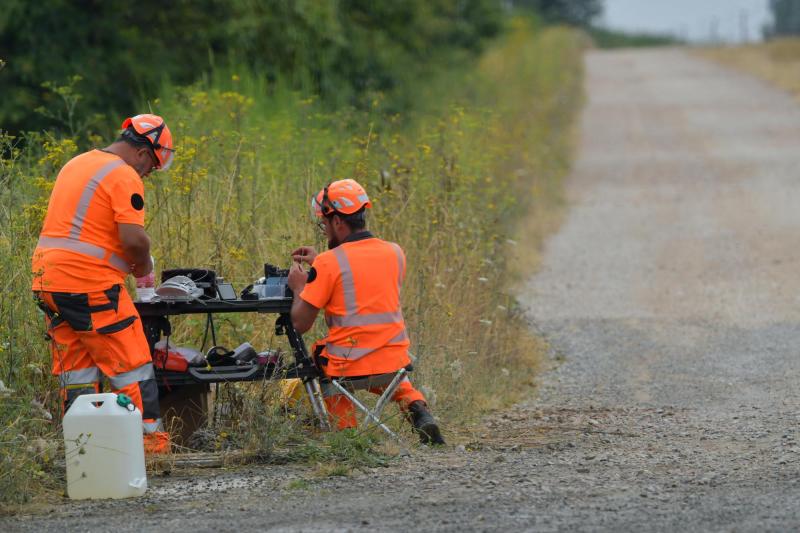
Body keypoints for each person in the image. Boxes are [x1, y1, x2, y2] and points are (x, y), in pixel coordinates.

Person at [31, 114, 175, 454]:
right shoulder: (123, 174)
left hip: (48, 282)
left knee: (78, 372)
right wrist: (143, 267)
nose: (149, 172)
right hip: (89, 284)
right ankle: (150, 447)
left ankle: (86, 450)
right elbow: (134, 240)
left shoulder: (78, 162)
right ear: (142, 152)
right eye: (152, 165)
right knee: (133, 365)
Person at [287, 179, 444, 445]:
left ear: (337, 221)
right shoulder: (395, 253)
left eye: (323, 224)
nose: (323, 230)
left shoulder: (329, 263)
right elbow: (360, 280)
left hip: (349, 364)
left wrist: (299, 288)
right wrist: (321, 263)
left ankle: (348, 435)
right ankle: (417, 408)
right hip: (395, 360)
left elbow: (300, 323)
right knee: (380, 367)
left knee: (320, 358)